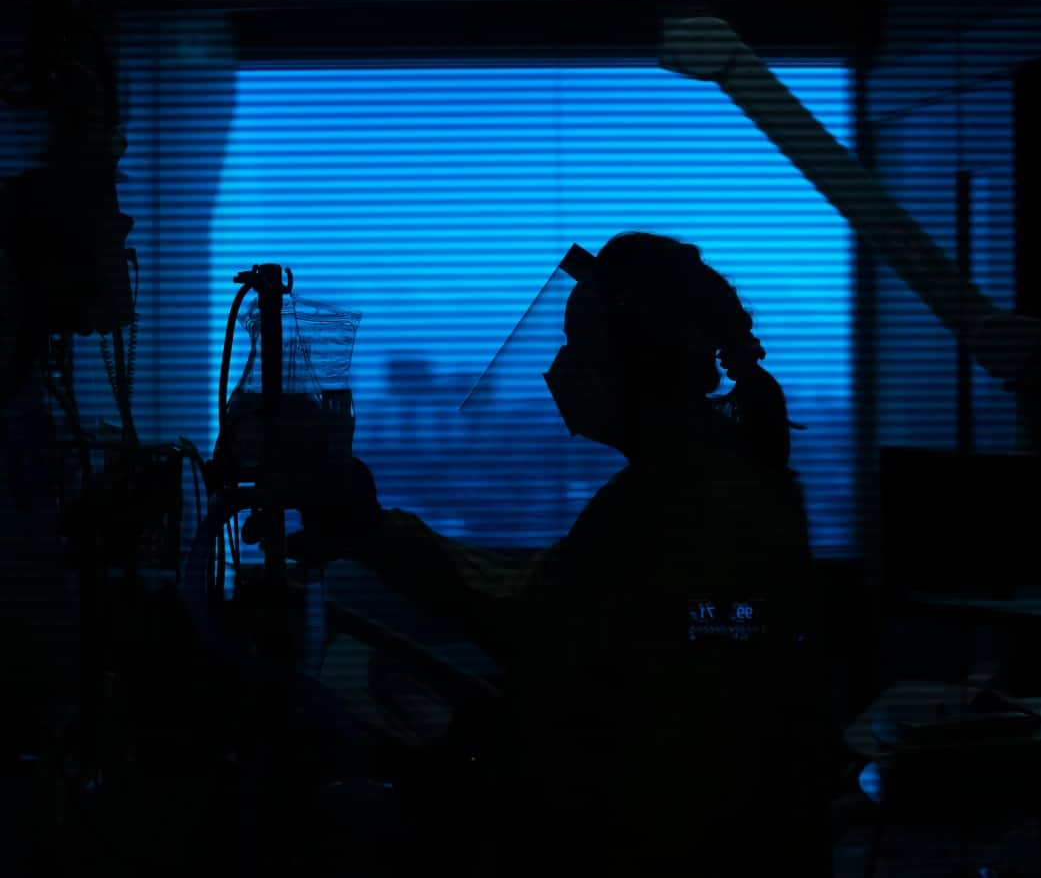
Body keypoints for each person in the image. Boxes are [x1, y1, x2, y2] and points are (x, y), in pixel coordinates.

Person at [271, 231, 828, 875]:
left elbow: (540, 621)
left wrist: (367, 531)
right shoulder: (695, 479)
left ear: (636, 365)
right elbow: (555, 596)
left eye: (579, 352)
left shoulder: (682, 500)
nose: (559, 370)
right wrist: (371, 532)